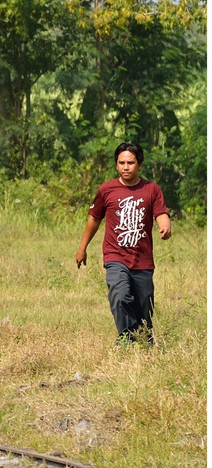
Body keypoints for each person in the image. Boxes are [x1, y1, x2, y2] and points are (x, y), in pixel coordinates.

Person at [76, 142, 171, 344]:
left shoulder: (151, 189)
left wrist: (165, 226)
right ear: (116, 164)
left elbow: (161, 213)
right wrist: (82, 248)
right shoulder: (106, 190)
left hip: (143, 259)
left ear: (139, 165)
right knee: (120, 295)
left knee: (144, 302)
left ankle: (144, 337)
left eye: (130, 163)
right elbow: (94, 219)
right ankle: (126, 338)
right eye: (121, 163)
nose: (125, 167)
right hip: (115, 256)